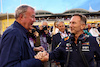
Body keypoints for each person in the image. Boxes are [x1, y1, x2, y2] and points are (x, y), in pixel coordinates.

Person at [35, 14, 100, 67]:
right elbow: (54, 54)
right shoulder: (65, 41)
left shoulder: (92, 41)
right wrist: (45, 55)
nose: (70, 25)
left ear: (82, 26)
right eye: (70, 23)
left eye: (73, 23)